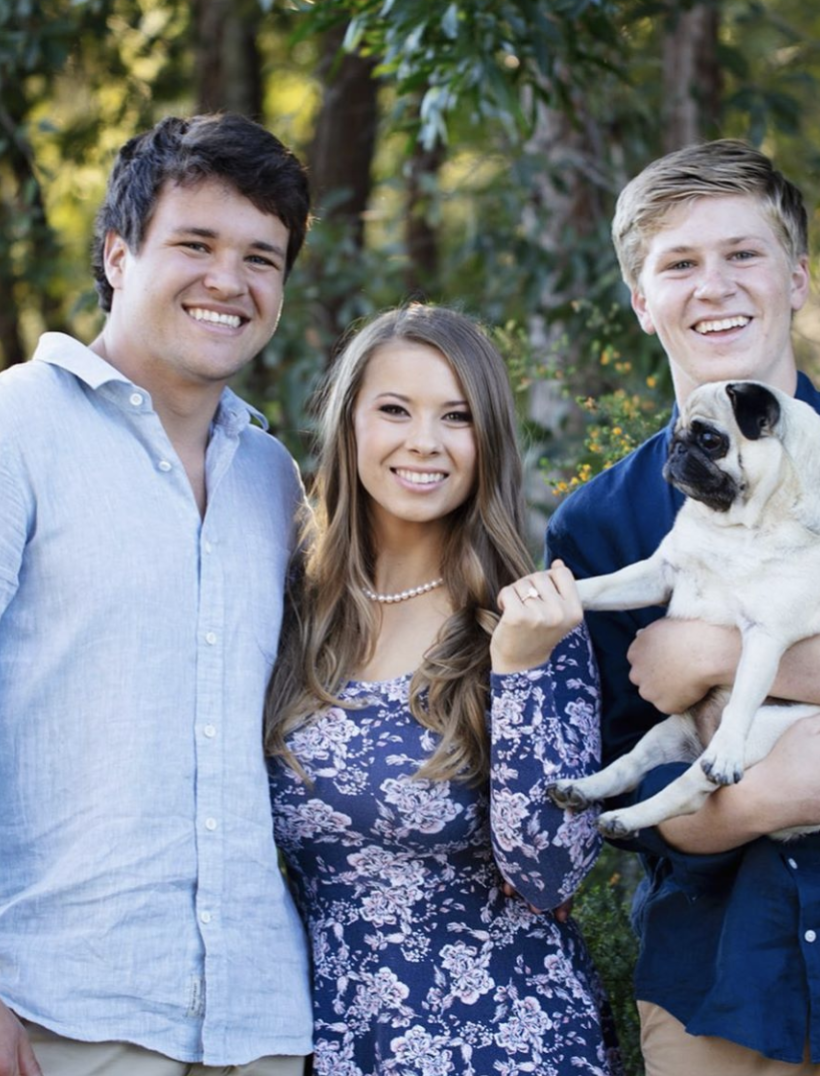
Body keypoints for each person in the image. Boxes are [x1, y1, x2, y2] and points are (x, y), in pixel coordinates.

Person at [546, 139, 820, 1074]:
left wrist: (713, 655)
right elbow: (621, 778)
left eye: (744, 255)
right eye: (679, 264)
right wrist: (761, 799)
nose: (714, 286)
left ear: (798, 278)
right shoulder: (600, 523)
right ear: (643, 303)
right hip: (717, 991)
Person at [0, 113, 314, 1075]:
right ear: (119, 254)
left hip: (259, 1024)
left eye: (263, 257)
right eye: (197, 244)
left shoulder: (274, 480)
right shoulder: (13, 429)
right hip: (60, 1013)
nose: (231, 281)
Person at [265, 303, 621, 1076]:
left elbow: (551, 874)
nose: (423, 441)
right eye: (395, 409)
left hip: (508, 1044)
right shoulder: (295, 609)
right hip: (337, 1045)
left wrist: (520, 671)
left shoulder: (529, 620)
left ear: (486, 440)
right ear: (348, 423)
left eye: (455, 416)